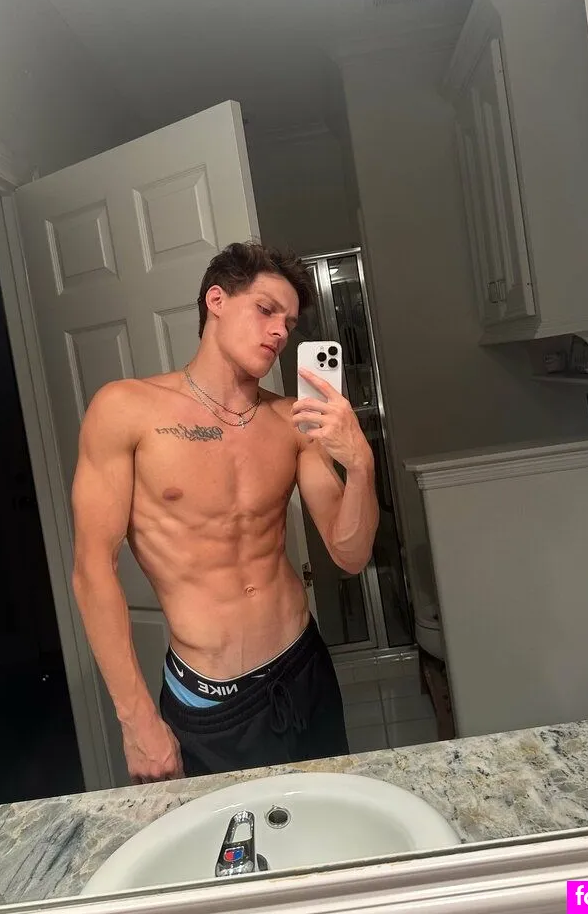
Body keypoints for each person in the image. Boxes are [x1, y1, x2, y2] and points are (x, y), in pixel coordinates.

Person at [71, 241, 379, 781]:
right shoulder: (126, 410)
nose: (280, 332)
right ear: (216, 300)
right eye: (266, 310)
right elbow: (92, 569)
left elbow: (350, 555)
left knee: (331, 823)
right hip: (212, 701)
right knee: (233, 837)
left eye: (289, 322)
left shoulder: (292, 421)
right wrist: (136, 720)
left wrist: (360, 465)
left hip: (304, 666)